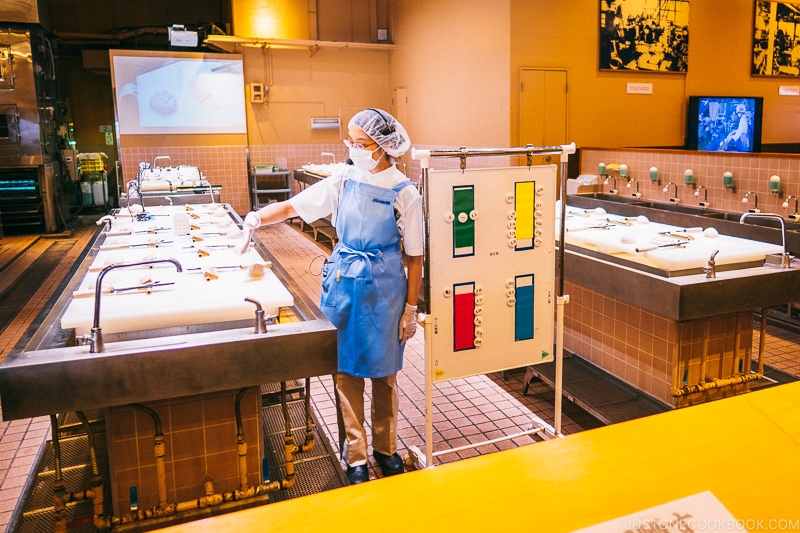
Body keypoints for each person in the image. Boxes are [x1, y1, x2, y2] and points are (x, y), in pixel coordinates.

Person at [237, 108, 424, 485]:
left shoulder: (404, 192)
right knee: (346, 372)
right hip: (343, 283)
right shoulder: (343, 179)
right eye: (350, 142)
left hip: (385, 289)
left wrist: (410, 310)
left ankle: (386, 450)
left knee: (385, 375)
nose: (352, 149)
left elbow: (415, 258)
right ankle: (355, 456)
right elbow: (293, 207)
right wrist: (256, 218)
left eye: (361, 143)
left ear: (383, 147)